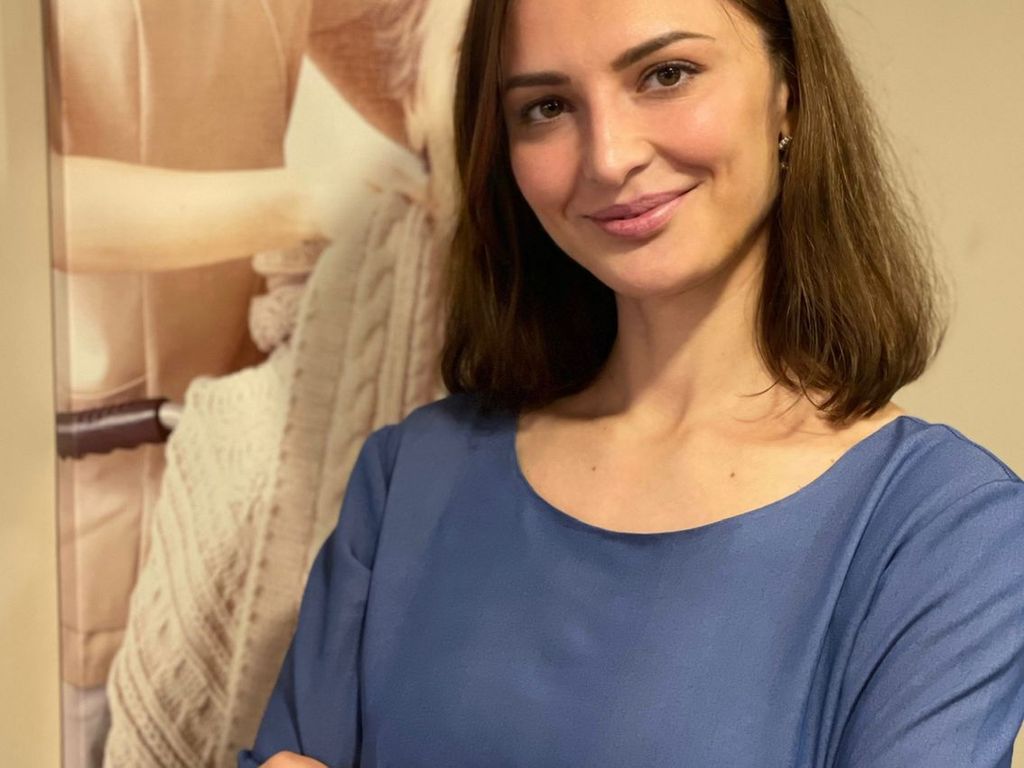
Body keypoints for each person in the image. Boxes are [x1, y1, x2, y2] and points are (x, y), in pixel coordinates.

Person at [240, 0, 1024, 765]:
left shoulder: (946, 532)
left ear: (789, 92)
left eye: (666, 74)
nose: (609, 156)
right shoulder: (411, 476)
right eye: (547, 107)